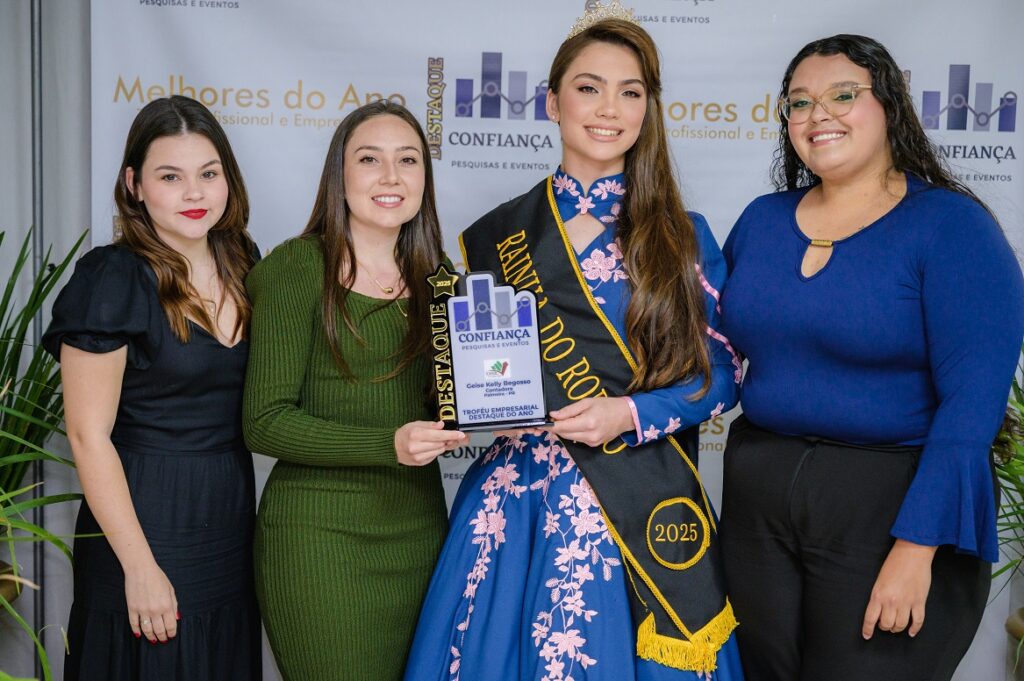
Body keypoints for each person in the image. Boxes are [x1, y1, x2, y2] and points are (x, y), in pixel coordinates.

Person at [404, 11, 744, 681]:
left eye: (630, 91)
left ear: (647, 108)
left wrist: (629, 413)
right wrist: (472, 407)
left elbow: (724, 373)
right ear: (553, 102)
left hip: (638, 499)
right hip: (515, 501)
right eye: (589, 88)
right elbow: (467, 373)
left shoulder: (682, 236)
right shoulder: (496, 236)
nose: (609, 109)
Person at [718, 34, 1024, 681]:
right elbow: (708, 352)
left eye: (842, 95)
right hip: (756, 511)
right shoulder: (761, 221)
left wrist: (917, 548)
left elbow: (971, 407)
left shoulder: (952, 227)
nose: (818, 115)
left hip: (891, 510)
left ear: (889, 104)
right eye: (800, 102)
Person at [242, 100, 468, 681]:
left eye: (408, 160)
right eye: (370, 159)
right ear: (338, 175)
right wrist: (386, 445)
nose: (391, 177)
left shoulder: (442, 281)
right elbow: (264, 421)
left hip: (420, 534)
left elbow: (453, 404)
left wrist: (504, 406)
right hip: (319, 539)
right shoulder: (299, 267)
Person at [43, 95, 261, 681]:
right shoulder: (112, 277)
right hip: (143, 521)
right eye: (170, 177)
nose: (194, 193)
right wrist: (139, 567)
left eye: (208, 174)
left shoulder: (244, 262)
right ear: (134, 184)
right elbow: (87, 436)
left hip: (227, 519)